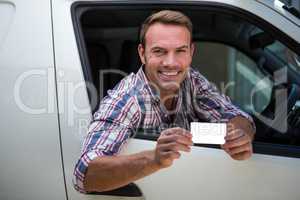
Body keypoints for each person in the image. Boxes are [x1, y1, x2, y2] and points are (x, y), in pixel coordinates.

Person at [73, 10, 256, 193]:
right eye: (159, 51)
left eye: (180, 51)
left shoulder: (190, 79)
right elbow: (85, 175)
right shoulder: (126, 100)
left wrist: (239, 135)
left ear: (191, 52)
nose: (171, 62)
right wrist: (154, 158)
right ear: (142, 54)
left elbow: (234, 115)